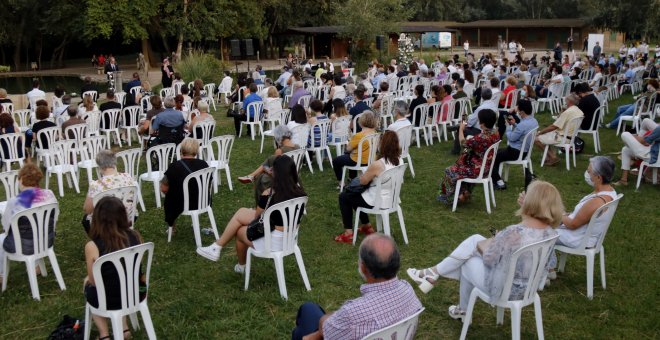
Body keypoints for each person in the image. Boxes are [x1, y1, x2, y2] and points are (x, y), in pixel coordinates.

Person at [407, 180, 562, 320]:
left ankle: (438, 279)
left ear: (531, 203)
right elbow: (549, 262)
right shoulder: (550, 234)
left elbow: (489, 259)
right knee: (474, 243)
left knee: (468, 259)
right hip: (529, 289)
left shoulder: (515, 232)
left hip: (504, 290)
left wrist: (491, 243)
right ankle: (435, 276)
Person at [292, 233, 422, 340]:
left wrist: (322, 324)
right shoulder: (408, 289)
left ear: (364, 268)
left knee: (306, 315)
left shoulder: (353, 313)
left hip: (332, 329)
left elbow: (325, 332)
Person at [196, 155, 307, 273]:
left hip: (273, 242)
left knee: (239, 232)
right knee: (242, 212)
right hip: (290, 238)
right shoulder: (301, 193)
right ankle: (216, 247)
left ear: (275, 173)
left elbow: (257, 218)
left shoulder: (269, 193)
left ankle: (238, 264)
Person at [83, 196, 144, 340]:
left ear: (97, 219)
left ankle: (104, 335)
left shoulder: (92, 246)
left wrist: (87, 280)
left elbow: (94, 282)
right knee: (120, 283)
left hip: (108, 299)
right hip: (136, 293)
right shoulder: (135, 236)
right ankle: (124, 329)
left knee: (88, 286)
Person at [546, 157, 617, 278]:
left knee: (540, 231)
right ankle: (549, 269)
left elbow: (573, 225)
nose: (587, 173)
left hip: (578, 238)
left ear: (599, 177)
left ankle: (546, 271)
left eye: (589, 172)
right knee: (544, 223)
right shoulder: (610, 192)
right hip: (584, 235)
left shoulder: (597, 201)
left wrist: (559, 214)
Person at [335, 131, 401, 243]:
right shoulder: (400, 160)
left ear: (382, 144)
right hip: (392, 198)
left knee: (344, 196)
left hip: (377, 201)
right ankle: (366, 225)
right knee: (355, 195)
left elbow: (363, 181)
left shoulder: (378, 164)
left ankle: (348, 233)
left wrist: (366, 174)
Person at [0, 164, 58, 278]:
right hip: (46, 239)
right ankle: (36, 266)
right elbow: (55, 217)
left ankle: (1, 274)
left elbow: (6, 226)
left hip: (24, 245)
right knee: (33, 230)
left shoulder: (14, 202)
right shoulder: (49, 194)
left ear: (21, 179)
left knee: (3, 238)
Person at [437, 109, 500, 205]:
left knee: (450, 170)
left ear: (482, 123)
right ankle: (465, 193)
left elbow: (463, 143)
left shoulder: (480, 138)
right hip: (488, 167)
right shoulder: (495, 133)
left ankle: (449, 198)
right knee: (462, 163)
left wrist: (461, 129)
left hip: (478, 170)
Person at [238, 125, 299, 204]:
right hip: (293, 174)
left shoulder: (279, 151)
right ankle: (252, 175)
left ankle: (252, 176)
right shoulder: (298, 147)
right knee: (269, 161)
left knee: (264, 171)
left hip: (281, 176)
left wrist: (265, 170)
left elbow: (275, 170)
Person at [160, 138, 209, 232]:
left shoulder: (174, 166)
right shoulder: (204, 164)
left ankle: (172, 227)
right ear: (196, 150)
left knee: (169, 197)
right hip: (202, 201)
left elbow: (164, 188)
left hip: (181, 204)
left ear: (181, 150)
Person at [82, 150, 136, 233]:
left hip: (106, 222)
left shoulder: (96, 185)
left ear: (100, 166)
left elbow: (87, 210)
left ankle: (100, 243)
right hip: (127, 216)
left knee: (85, 220)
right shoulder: (128, 177)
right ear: (114, 162)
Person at [492, 99, 539, 190]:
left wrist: (508, 127)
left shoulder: (523, 124)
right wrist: (515, 124)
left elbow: (511, 138)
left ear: (522, 111)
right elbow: (524, 132)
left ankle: (498, 181)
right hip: (525, 151)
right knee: (498, 152)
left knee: (493, 155)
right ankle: (497, 178)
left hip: (515, 152)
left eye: (518, 110)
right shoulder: (534, 121)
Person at [331, 111, 378, 188]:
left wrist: (350, 142)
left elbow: (348, 149)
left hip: (359, 160)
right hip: (371, 159)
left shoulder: (359, 135)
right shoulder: (375, 133)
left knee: (336, 161)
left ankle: (341, 183)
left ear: (361, 121)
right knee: (349, 156)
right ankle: (352, 178)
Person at [534, 93, 583, 165]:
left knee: (535, 139)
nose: (565, 101)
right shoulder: (579, 111)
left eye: (566, 100)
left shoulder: (568, 112)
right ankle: (550, 157)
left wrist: (540, 132)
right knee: (546, 134)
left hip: (562, 138)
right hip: (571, 137)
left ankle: (552, 157)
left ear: (569, 101)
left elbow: (554, 126)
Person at [614, 118, 659, 186]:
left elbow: (643, 141)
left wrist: (634, 137)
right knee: (626, 150)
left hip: (653, 156)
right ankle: (624, 180)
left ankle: (635, 154)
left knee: (625, 134)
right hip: (655, 151)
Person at [452, 88, 498, 155]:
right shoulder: (494, 106)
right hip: (489, 127)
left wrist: (462, 126)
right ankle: (458, 125)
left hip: (479, 129)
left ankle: (455, 151)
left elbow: (470, 122)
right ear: (491, 96)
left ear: (481, 96)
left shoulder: (481, 108)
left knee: (462, 123)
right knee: (465, 119)